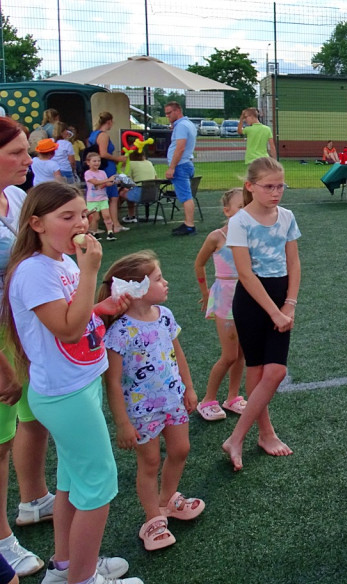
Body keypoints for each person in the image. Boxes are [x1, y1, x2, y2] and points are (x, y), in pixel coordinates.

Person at [2, 182, 142, 584]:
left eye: (82, 214)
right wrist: (91, 272)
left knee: (70, 481)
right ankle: (83, 579)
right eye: (67, 216)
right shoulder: (34, 270)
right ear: (36, 223)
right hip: (65, 396)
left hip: (79, 386)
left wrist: (101, 306)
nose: (80, 223)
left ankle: (66, 568)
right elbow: (66, 329)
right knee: (98, 488)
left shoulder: (62, 261)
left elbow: (74, 317)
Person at [100, 251, 204, 552]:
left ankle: (167, 499)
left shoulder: (165, 316)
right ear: (136, 289)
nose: (166, 282)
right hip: (142, 412)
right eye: (159, 279)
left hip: (173, 401)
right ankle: (152, 518)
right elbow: (114, 381)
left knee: (181, 449)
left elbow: (177, 354)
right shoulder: (120, 331)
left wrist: (189, 388)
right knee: (150, 462)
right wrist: (122, 423)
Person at [221, 158, 300, 471]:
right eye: (269, 186)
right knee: (256, 371)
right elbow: (245, 273)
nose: (276, 192)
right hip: (252, 303)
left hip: (282, 299)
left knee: (275, 371)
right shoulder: (240, 221)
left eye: (280, 186)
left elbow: (293, 264)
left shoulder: (287, 217)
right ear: (250, 186)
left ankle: (237, 437)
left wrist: (289, 305)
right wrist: (273, 311)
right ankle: (264, 434)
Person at [0, 117, 54, 580]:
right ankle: (1, 541)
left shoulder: (16, 197)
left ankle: (33, 499)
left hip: (22, 327)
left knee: (32, 416)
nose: (28, 159)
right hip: (0, 336)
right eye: (17, 152)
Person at [193, 189, 247, 422]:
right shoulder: (217, 237)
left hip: (247, 298)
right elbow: (199, 264)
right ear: (227, 211)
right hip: (226, 298)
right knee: (229, 355)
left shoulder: (252, 235)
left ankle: (233, 397)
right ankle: (208, 400)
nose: (246, 211)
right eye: (241, 207)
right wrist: (206, 292)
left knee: (242, 354)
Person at [87, 113, 130, 235]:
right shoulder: (103, 135)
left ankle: (96, 225)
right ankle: (115, 224)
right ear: (109, 122)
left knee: (99, 196)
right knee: (113, 197)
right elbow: (103, 153)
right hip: (107, 167)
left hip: (101, 167)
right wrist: (118, 158)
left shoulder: (93, 134)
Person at [163, 102, 198, 237]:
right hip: (186, 163)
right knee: (186, 195)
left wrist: (172, 167)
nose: (167, 116)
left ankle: (190, 225)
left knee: (185, 196)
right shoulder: (187, 123)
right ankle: (188, 223)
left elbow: (180, 147)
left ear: (177, 111)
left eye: (169, 113)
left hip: (180, 165)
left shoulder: (182, 126)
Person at [83, 154, 117, 241]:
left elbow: (106, 184)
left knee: (107, 215)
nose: (97, 163)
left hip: (103, 198)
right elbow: (95, 182)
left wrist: (114, 181)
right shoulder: (88, 173)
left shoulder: (102, 172)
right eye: (94, 161)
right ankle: (94, 233)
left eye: (98, 161)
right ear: (88, 163)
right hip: (92, 199)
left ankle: (110, 232)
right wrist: (108, 179)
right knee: (95, 218)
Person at [118, 149, 157, 224]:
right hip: (153, 194)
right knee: (129, 191)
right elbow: (155, 177)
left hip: (140, 195)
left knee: (120, 194)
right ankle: (131, 216)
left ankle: (117, 217)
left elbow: (127, 180)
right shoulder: (149, 162)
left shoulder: (131, 164)